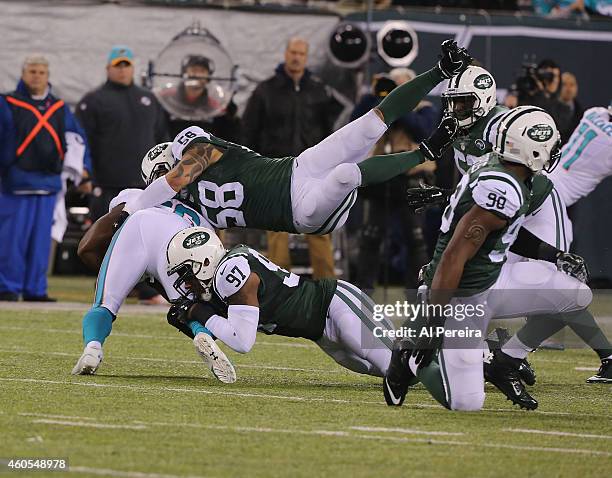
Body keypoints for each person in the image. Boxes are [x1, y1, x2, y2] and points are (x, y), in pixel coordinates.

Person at [117, 40, 473, 240]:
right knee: (347, 174)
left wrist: (131, 211)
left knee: (369, 124)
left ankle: (439, 72)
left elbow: (173, 181)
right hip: (301, 212)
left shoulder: (196, 160)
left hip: (297, 167)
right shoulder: (185, 209)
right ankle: (424, 152)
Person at [384, 107, 593, 411]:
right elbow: (455, 255)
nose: (553, 153)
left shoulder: (506, 171)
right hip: (461, 295)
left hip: (493, 280)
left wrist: (555, 255)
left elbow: (506, 228)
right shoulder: (503, 187)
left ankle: (505, 361)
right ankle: (407, 355)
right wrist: (434, 324)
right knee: (467, 403)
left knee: (577, 295)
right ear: (533, 150)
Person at [71, 143, 236, 383]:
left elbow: (88, 247)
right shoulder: (201, 215)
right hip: (180, 240)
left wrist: (125, 274)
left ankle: (92, 350)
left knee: (105, 304)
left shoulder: (133, 195)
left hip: (137, 225)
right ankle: (202, 333)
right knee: (189, 305)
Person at [164, 226, 398, 378]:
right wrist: (191, 322)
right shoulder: (222, 276)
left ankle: (432, 345)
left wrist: (198, 312)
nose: (185, 283)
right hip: (320, 333)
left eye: (187, 273)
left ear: (204, 262)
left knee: (395, 366)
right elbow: (221, 329)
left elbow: (242, 341)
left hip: (334, 306)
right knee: (388, 371)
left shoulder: (230, 272)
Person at [498, 104, 612, 384]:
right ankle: (509, 354)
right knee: (558, 289)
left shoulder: (594, 113)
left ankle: (509, 353)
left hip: (536, 187)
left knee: (545, 287)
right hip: (549, 201)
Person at [241, 38, 342, 279]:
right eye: (293, 52)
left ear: (306, 58)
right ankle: (280, 292)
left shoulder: (319, 90)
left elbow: (331, 134)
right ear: (285, 54)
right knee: (277, 234)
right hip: (275, 171)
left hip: (313, 172)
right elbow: (248, 131)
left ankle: (327, 294)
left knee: (319, 231)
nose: (296, 57)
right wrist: (253, 168)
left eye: (301, 53)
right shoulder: (265, 90)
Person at [76, 45, 169, 304]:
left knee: (144, 240)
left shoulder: (149, 100)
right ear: (108, 68)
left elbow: (162, 141)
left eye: (126, 64)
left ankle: (147, 291)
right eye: (118, 65)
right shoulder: (92, 101)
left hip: (143, 187)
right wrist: (85, 175)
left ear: (133, 67)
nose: (123, 69)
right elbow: (81, 142)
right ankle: (107, 289)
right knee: (104, 241)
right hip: (107, 185)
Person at [0, 54, 90, 302]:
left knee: (41, 244)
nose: (36, 76)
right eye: (32, 71)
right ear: (23, 73)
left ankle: (35, 289)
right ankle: (7, 287)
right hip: (14, 184)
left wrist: (83, 169)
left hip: (48, 184)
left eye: (41, 72)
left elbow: (76, 139)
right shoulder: (7, 103)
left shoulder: (60, 108)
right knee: (11, 242)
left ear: (47, 76)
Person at [159, 54, 241, 142]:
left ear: (208, 77)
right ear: (184, 73)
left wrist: (230, 117)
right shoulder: (167, 98)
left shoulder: (214, 107)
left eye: (202, 71)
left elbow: (228, 137)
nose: (197, 75)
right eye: (193, 70)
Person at [558, 72, 584, 143]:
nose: (568, 88)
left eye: (572, 85)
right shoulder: (549, 110)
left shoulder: (582, 114)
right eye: (564, 84)